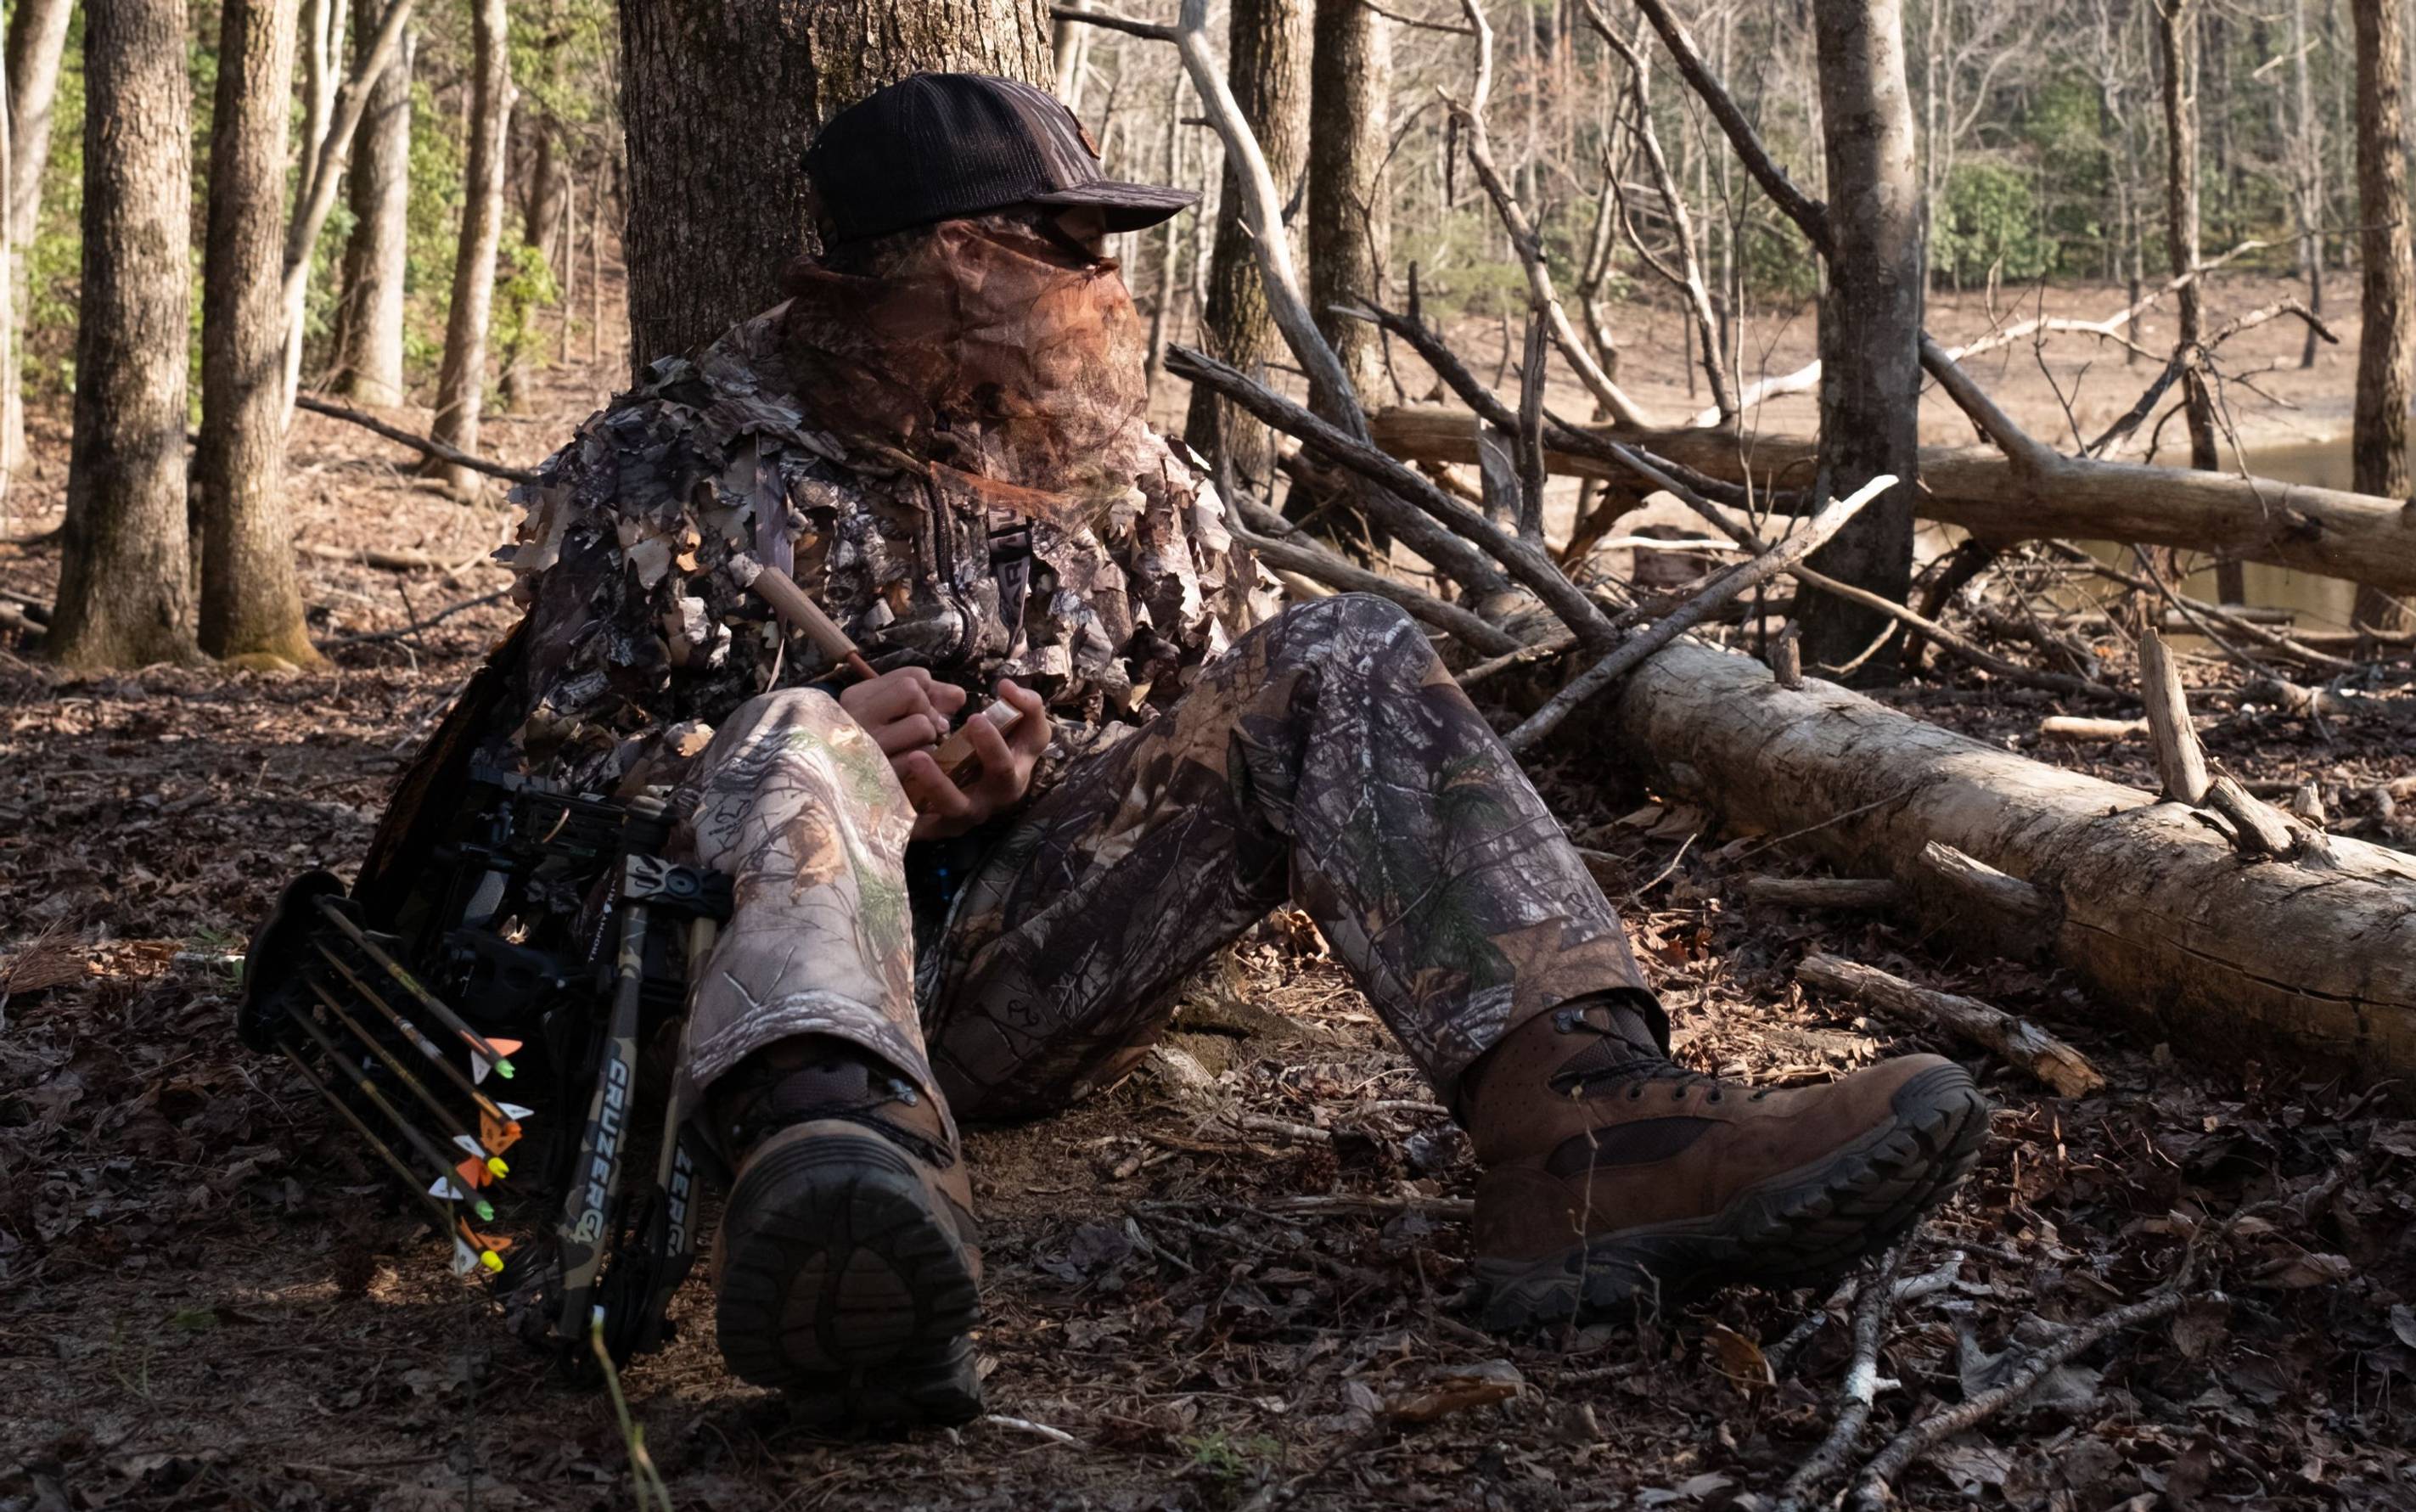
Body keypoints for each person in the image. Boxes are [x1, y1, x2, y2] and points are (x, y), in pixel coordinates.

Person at [452, 74, 1991, 1427]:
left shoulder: (1125, 469)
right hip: (738, 1027)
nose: (1110, 280)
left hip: (1013, 970)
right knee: (794, 732)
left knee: (1346, 649)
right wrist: (814, 761)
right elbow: (540, 794)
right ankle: (847, 1183)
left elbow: (1222, 738)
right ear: (949, 260)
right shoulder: (673, 453)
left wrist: (1025, 777)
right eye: (1067, 243)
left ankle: (1588, 1127)